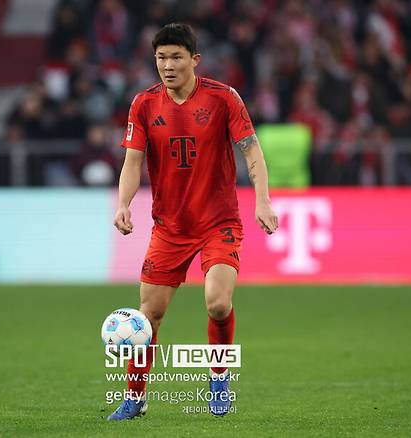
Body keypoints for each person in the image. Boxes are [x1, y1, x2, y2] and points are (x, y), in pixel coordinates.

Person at [109, 23, 278, 420]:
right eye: (161, 58)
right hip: (170, 227)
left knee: (218, 304)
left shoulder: (223, 98)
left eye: (176, 57)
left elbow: (251, 151)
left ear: (194, 60)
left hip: (219, 222)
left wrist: (263, 200)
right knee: (149, 316)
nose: (167, 65)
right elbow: (132, 162)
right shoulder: (143, 104)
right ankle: (135, 397)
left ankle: (218, 379)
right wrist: (123, 204)